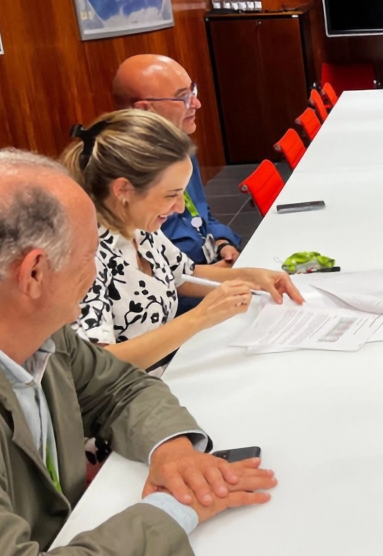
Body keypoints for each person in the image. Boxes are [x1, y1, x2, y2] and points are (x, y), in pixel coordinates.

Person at [0, 149, 276, 556]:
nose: (99, 266)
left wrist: (171, 449)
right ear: (34, 273)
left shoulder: (41, 336)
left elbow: (118, 386)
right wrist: (180, 507)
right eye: (87, 252)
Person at [62, 111, 302, 372]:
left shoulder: (138, 223)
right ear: (123, 190)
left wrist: (251, 276)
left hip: (170, 371)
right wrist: (200, 317)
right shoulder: (82, 256)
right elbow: (97, 368)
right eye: (171, 195)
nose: (178, 208)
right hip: (128, 396)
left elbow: (183, 275)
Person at [113, 54, 240, 267]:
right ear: (144, 109)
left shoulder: (180, 149)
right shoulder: (127, 175)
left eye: (193, 91)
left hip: (209, 269)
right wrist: (210, 278)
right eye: (183, 97)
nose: (197, 103)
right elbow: (142, 274)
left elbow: (200, 212)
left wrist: (221, 241)